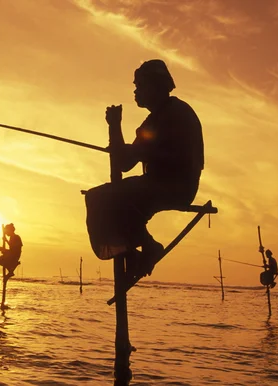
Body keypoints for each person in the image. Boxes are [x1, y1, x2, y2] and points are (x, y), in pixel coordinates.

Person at [84, 59, 204, 280]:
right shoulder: (162, 116)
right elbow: (127, 160)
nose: (136, 92)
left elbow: (125, 162)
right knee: (110, 203)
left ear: (156, 86)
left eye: (140, 86)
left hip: (170, 186)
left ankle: (145, 247)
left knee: (98, 199)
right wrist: (117, 130)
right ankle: (138, 250)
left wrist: (115, 126)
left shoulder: (171, 115)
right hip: (165, 185)